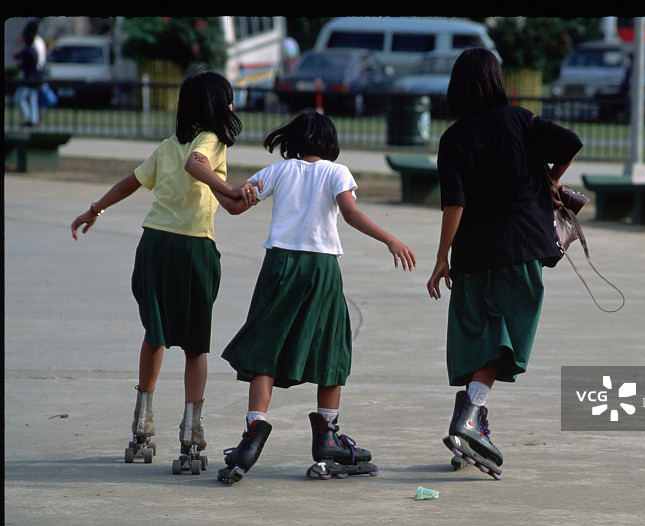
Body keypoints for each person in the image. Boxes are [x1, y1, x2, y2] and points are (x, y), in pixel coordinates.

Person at [216, 108, 416, 485]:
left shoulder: (278, 171)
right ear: (329, 143)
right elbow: (350, 213)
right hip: (321, 269)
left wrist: (206, 177)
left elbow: (234, 204)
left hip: (278, 265)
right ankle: (327, 433)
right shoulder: (335, 172)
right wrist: (390, 239)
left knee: (266, 346)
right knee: (331, 345)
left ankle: (251, 435)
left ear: (293, 141)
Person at [70, 71, 258, 469]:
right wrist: (229, 189)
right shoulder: (211, 140)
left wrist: (94, 210)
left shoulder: (166, 146)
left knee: (154, 334)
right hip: (191, 248)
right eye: (227, 99)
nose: (232, 106)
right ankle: (191, 434)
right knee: (195, 344)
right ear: (212, 105)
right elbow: (197, 165)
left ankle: (142, 426)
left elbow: (131, 183)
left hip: (154, 245)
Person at [426, 48, 582, 479]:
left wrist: (442, 258)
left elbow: (453, 205)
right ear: (495, 80)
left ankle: (469, 426)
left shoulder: (452, 139)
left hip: (473, 253)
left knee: (478, 335)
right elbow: (570, 142)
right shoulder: (519, 120)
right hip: (520, 248)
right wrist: (551, 179)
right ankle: (471, 417)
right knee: (504, 338)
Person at [12, 21, 41, 127]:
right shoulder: (34, 51)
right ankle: (34, 120)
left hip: (27, 80)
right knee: (32, 100)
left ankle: (28, 118)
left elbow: (15, 55)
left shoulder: (27, 51)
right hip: (34, 79)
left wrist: (18, 43)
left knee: (19, 99)